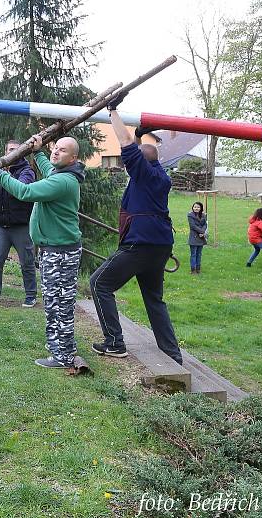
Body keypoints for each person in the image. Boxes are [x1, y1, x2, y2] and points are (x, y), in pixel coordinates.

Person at [88, 94, 183, 365]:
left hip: (140, 245)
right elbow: (142, 153)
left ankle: (115, 343)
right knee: (154, 300)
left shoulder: (143, 173)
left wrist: (113, 111)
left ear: (139, 163)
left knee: (99, 283)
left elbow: (128, 145)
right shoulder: (158, 175)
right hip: (160, 246)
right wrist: (142, 135)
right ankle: (172, 354)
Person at [0, 135, 85, 369]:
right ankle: (61, 346)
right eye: (55, 148)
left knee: (59, 303)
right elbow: (49, 170)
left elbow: (26, 192)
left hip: (60, 252)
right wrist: (38, 152)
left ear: (73, 158)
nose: (56, 152)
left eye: (63, 150)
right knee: (55, 300)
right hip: (55, 249)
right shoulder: (61, 175)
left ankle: (62, 355)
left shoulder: (64, 181)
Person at [0, 140, 38, 307]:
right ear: (5, 152)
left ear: (22, 152)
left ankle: (31, 295)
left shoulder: (27, 171)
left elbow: (22, 188)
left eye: (16, 150)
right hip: (0, 226)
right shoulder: (0, 170)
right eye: (10, 149)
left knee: (27, 262)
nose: (13, 152)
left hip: (21, 226)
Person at [187, 201, 207, 274]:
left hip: (201, 237)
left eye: (198, 207)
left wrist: (203, 232)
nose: (196, 208)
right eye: (195, 207)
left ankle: (198, 269)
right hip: (194, 237)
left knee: (199, 254)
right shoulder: (190, 215)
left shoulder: (203, 215)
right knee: (193, 254)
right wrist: (201, 232)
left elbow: (205, 224)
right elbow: (193, 226)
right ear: (192, 208)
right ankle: (193, 270)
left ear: (201, 208)